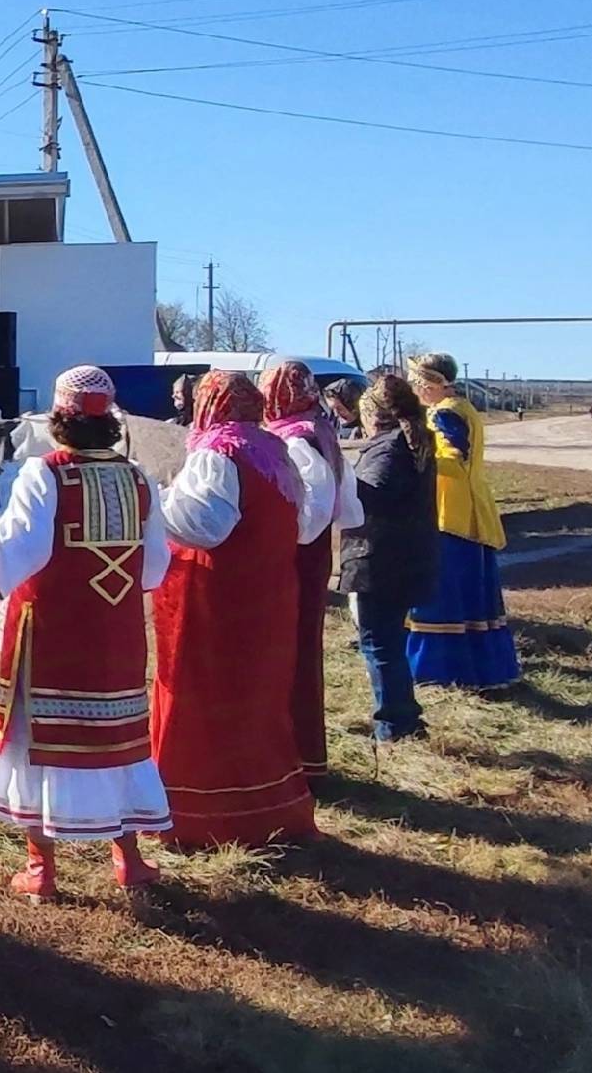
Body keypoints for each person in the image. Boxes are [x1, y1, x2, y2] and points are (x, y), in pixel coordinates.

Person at [0, 367, 171, 899]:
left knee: (38, 743)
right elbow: (154, 567)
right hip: (116, 628)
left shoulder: (46, 473)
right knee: (120, 739)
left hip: (53, 629)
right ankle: (128, 858)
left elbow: (20, 552)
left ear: (58, 419)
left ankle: (42, 869)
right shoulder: (138, 478)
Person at [150, 371, 316, 849]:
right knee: (258, 698)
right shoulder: (274, 448)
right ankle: (268, 809)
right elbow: (301, 522)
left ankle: (198, 814)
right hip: (269, 592)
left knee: (205, 696)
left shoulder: (216, 452)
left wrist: (155, 501)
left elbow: (206, 526)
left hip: (218, 599)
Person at [405, 353, 516, 688]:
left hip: (451, 513)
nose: (414, 388)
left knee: (446, 592)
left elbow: (454, 460)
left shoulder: (445, 413)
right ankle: (483, 667)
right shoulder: (463, 407)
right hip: (469, 508)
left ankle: (440, 669)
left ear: (429, 383)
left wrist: (418, 460)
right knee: (473, 593)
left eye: (416, 382)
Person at [337, 374, 437, 743]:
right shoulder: (413, 442)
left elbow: (370, 498)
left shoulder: (387, 449)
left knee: (379, 646)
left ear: (373, 417)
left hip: (379, 559)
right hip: (408, 554)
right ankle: (406, 715)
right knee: (392, 641)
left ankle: (394, 725)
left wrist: (339, 478)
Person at [261, 359, 345, 780]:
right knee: (301, 651)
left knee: (289, 654)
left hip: (297, 556)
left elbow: (309, 518)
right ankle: (303, 753)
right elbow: (348, 506)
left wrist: (273, 530)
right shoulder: (321, 428)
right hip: (313, 555)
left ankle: (294, 757)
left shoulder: (295, 439)